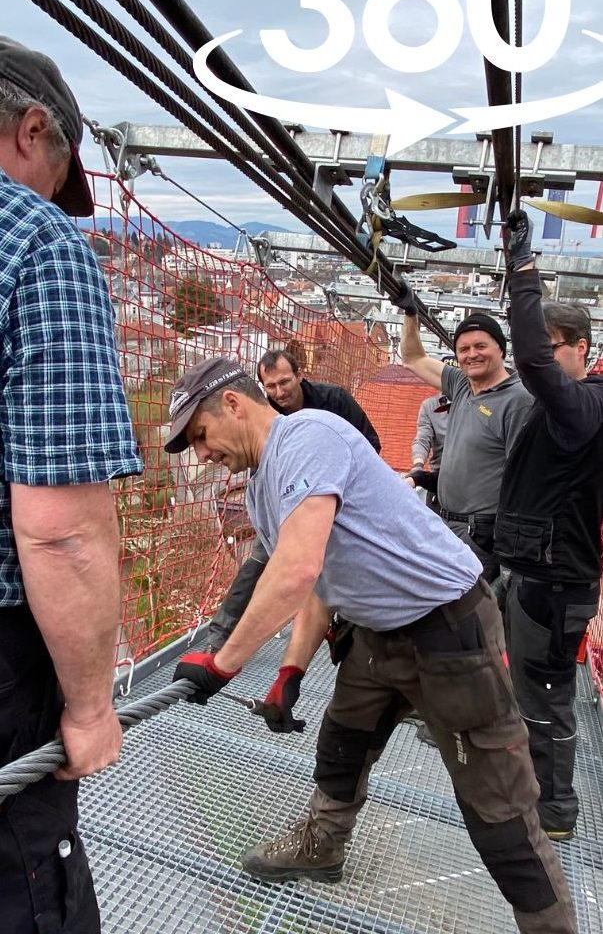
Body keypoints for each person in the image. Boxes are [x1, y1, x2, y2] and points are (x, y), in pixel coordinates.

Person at [166, 357, 577, 934]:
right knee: (342, 744)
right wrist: (290, 671)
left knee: (497, 808)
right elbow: (316, 581)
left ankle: (551, 928)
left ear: (233, 404)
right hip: (378, 632)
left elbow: (295, 567)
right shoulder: (262, 486)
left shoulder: (308, 434)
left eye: (201, 437)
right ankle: (324, 845)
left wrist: (223, 663)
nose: (203, 456)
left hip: (447, 626)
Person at [0, 37, 142, 933]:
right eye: (57, 175)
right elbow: (60, 529)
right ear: (32, 130)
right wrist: (90, 710)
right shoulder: (36, 243)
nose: (56, 200)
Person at [495, 210, 603, 841]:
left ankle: (553, 811)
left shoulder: (582, 407)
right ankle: (544, 797)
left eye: (557, 345)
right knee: (535, 691)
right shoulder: (576, 410)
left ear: (581, 350)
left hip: (552, 581)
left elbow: (531, 358)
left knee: (544, 699)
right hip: (543, 574)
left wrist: (522, 266)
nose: (541, 358)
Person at [202, 348, 380, 650]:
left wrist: (331, 483)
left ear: (299, 374)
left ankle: (347, 631)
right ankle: (218, 638)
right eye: (270, 386)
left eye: (285, 382)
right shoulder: (265, 414)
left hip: (337, 496)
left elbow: (370, 445)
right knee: (261, 560)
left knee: (345, 559)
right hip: (285, 499)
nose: (279, 392)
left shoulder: (334, 401)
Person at [401, 306, 533, 588]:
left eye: (480, 346)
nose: (472, 354)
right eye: (464, 349)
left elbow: (524, 477)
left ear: (500, 349)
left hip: (480, 533)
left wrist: (500, 532)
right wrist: (410, 313)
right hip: (447, 523)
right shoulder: (461, 384)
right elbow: (413, 358)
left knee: (463, 608)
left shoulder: (518, 400)